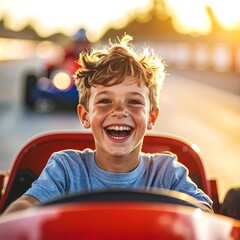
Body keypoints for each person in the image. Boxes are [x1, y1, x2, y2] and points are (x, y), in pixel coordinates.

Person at [2, 34, 212, 215]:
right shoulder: (65, 169)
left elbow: (205, 217)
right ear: (85, 116)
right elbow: (25, 206)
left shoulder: (167, 173)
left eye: (134, 102)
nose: (119, 111)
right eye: (105, 101)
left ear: (151, 117)